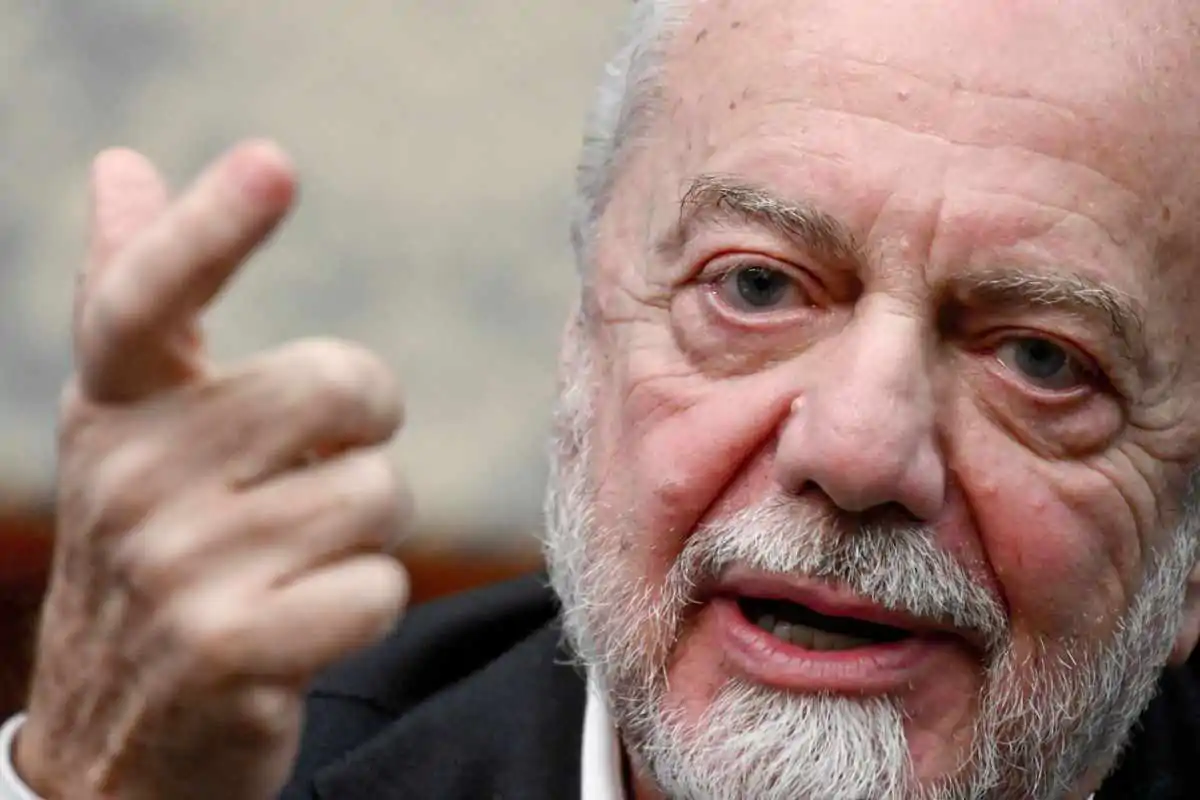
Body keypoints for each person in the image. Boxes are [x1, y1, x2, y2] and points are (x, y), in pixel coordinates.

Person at [3, 0, 1200, 797]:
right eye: (756, 285)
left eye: (1041, 358)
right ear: (582, 339)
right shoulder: (226, 780)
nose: (857, 448)